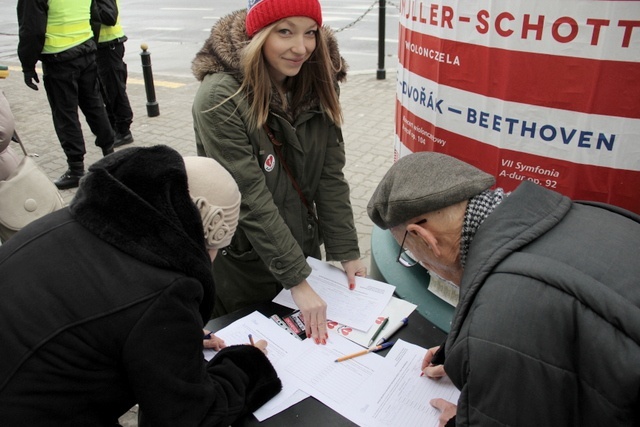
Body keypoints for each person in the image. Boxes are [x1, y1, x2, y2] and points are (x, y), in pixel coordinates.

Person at [0, 145, 282, 426]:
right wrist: (248, 364)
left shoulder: (82, 220)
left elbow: (93, 313)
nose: (215, 259)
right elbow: (193, 417)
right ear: (210, 226)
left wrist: (173, 338)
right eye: (218, 248)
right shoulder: (163, 291)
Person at [367, 152, 640, 426]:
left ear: (424, 238)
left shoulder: (501, 317)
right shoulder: (584, 214)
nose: (418, 260)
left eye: (408, 251)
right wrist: (466, 353)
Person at [191, 0, 366, 343]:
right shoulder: (220, 98)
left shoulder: (320, 82)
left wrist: (347, 251)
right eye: (284, 31)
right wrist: (298, 282)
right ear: (258, 34)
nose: (301, 48)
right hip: (246, 263)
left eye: (310, 33)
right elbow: (250, 197)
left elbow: (330, 177)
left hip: (303, 250)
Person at [17, 0, 115, 190]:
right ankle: (110, 154)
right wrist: (89, 44)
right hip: (85, 48)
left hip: (59, 57)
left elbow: (31, 30)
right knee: (94, 105)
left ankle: (76, 169)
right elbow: (95, 15)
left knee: (65, 113)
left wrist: (27, 66)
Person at [95, 0, 134, 148]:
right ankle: (113, 124)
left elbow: (109, 16)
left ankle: (124, 131)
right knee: (105, 90)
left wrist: (89, 9)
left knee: (115, 89)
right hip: (99, 46)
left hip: (109, 45)